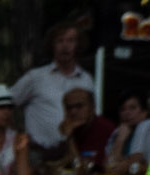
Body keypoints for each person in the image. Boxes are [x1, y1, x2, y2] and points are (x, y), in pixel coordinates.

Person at [11, 22, 94, 151]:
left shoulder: (86, 80)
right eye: (60, 41)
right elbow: (6, 103)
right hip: (39, 154)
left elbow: (93, 115)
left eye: (70, 40)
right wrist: (12, 134)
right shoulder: (35, 77)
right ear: (52, 45)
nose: (65, 46)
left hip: (76, 152)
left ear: (78, 45)